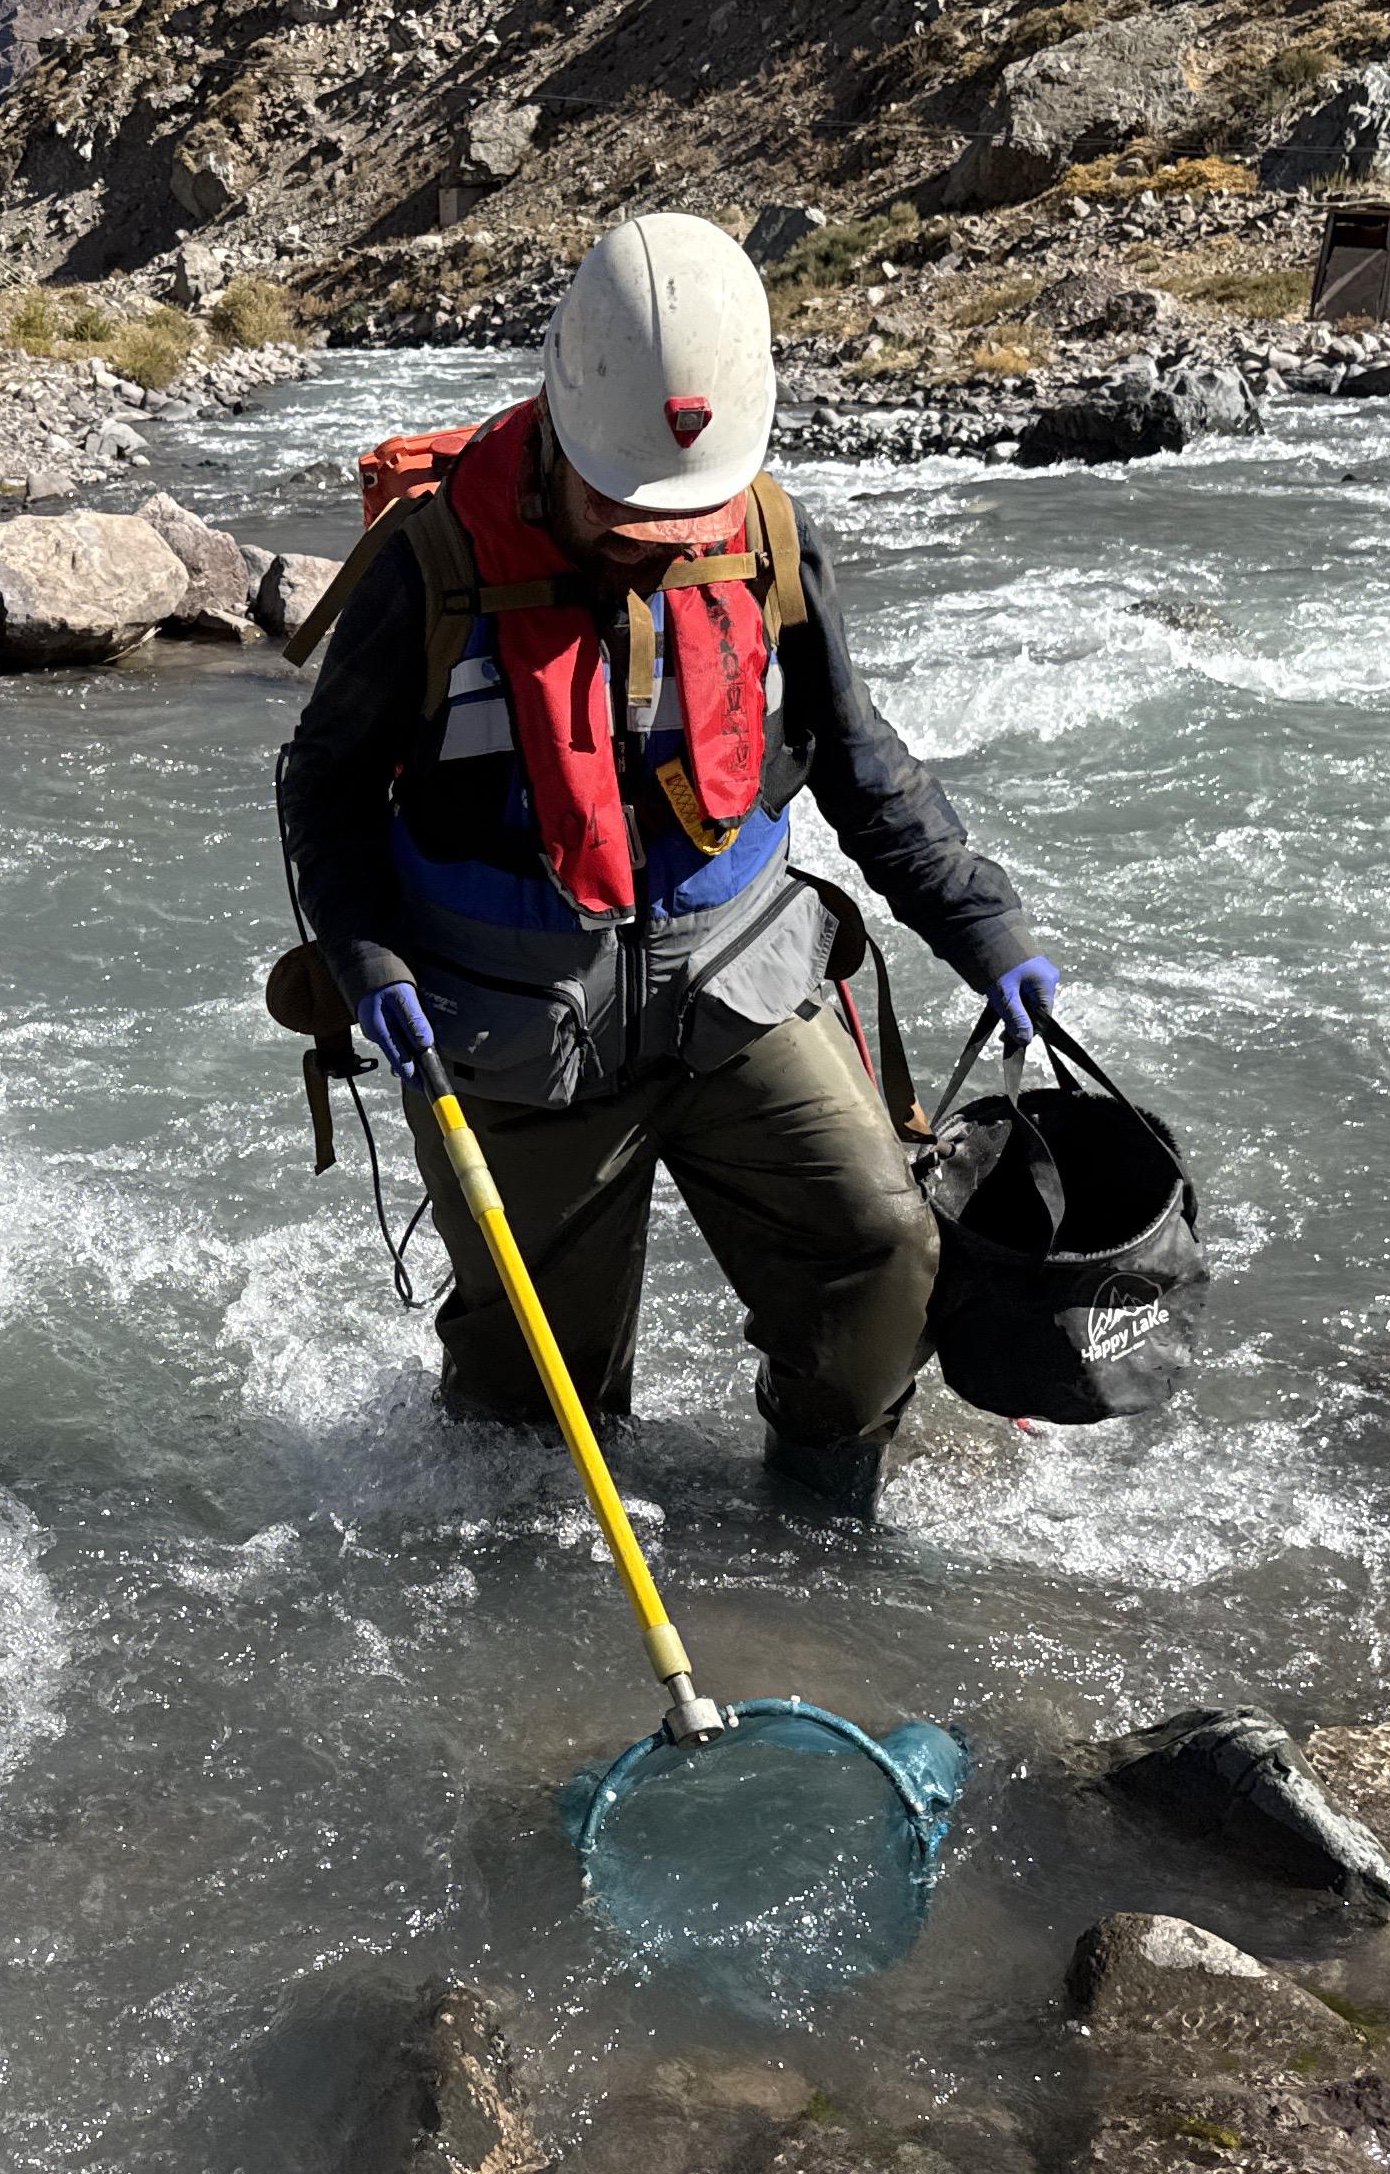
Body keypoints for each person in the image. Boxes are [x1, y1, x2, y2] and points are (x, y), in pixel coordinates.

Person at [275, 213, 1062, 1520]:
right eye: (624, 506)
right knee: (536, 1408)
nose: (659, 534)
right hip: (514, 1027)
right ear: (565, 424)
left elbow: (857, 759)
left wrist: (989, 931)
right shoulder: (435, 568)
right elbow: (328, 781)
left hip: (739, 990)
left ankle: (814, 1547)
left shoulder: (763, 539)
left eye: (683, 509)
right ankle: (538, 1635)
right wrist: (363, 959)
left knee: (882, 1257)